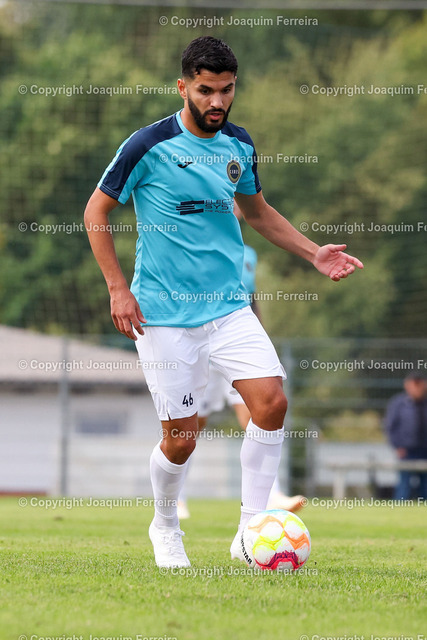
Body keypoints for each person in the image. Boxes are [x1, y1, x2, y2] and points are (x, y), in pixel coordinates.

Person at [84, 36, 363, 568]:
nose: (217, 101)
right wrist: (118, 288)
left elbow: (258, 212)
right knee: (181, 441)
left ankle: (250, 531)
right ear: (183, 87)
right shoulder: (146, 145)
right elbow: (95, 213)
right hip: (163, 316)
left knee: (272, 402)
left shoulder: (239, 144)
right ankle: (165, 525)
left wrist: (314, 254)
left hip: (230, 309)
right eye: (206, 90)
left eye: (227, 90)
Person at [178, 212, 305, 520]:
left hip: (236, 346)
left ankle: (272, 494)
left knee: (258, 414)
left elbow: (250, 300)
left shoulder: (248, 254)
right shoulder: (192, 243)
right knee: (189, 427)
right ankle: (176, 497)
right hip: (202, 346)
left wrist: (259, 342)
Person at [384, 372, 427, 500]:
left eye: (420, 384)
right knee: (404, 486)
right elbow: (390, 427)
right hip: (406, 451)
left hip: (425, 450)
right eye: (415, 384)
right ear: (407, 385)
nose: (417, 388)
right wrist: (397, 446)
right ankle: (399, 509)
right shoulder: (398, 404)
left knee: (425, 487)